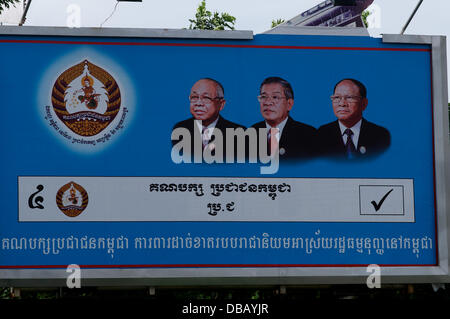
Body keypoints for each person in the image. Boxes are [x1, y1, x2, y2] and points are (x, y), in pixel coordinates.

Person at [171, 78, 245, 162]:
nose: (198, 103)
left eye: (206, 98)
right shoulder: (180, 129)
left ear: (221, 104)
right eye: (194, 97)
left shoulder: (239, 133)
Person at [317, 78, 390, 159]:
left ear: (364, 103)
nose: (342, 103)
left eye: (349, 97)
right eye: (337, 97)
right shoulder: (321, 134)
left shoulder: (381, 136)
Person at [251, 76, 317, 160]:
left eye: (275, 97)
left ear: (289, 104)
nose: (267, 102)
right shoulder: (250, 133)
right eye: (263, 97)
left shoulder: (309, 135)